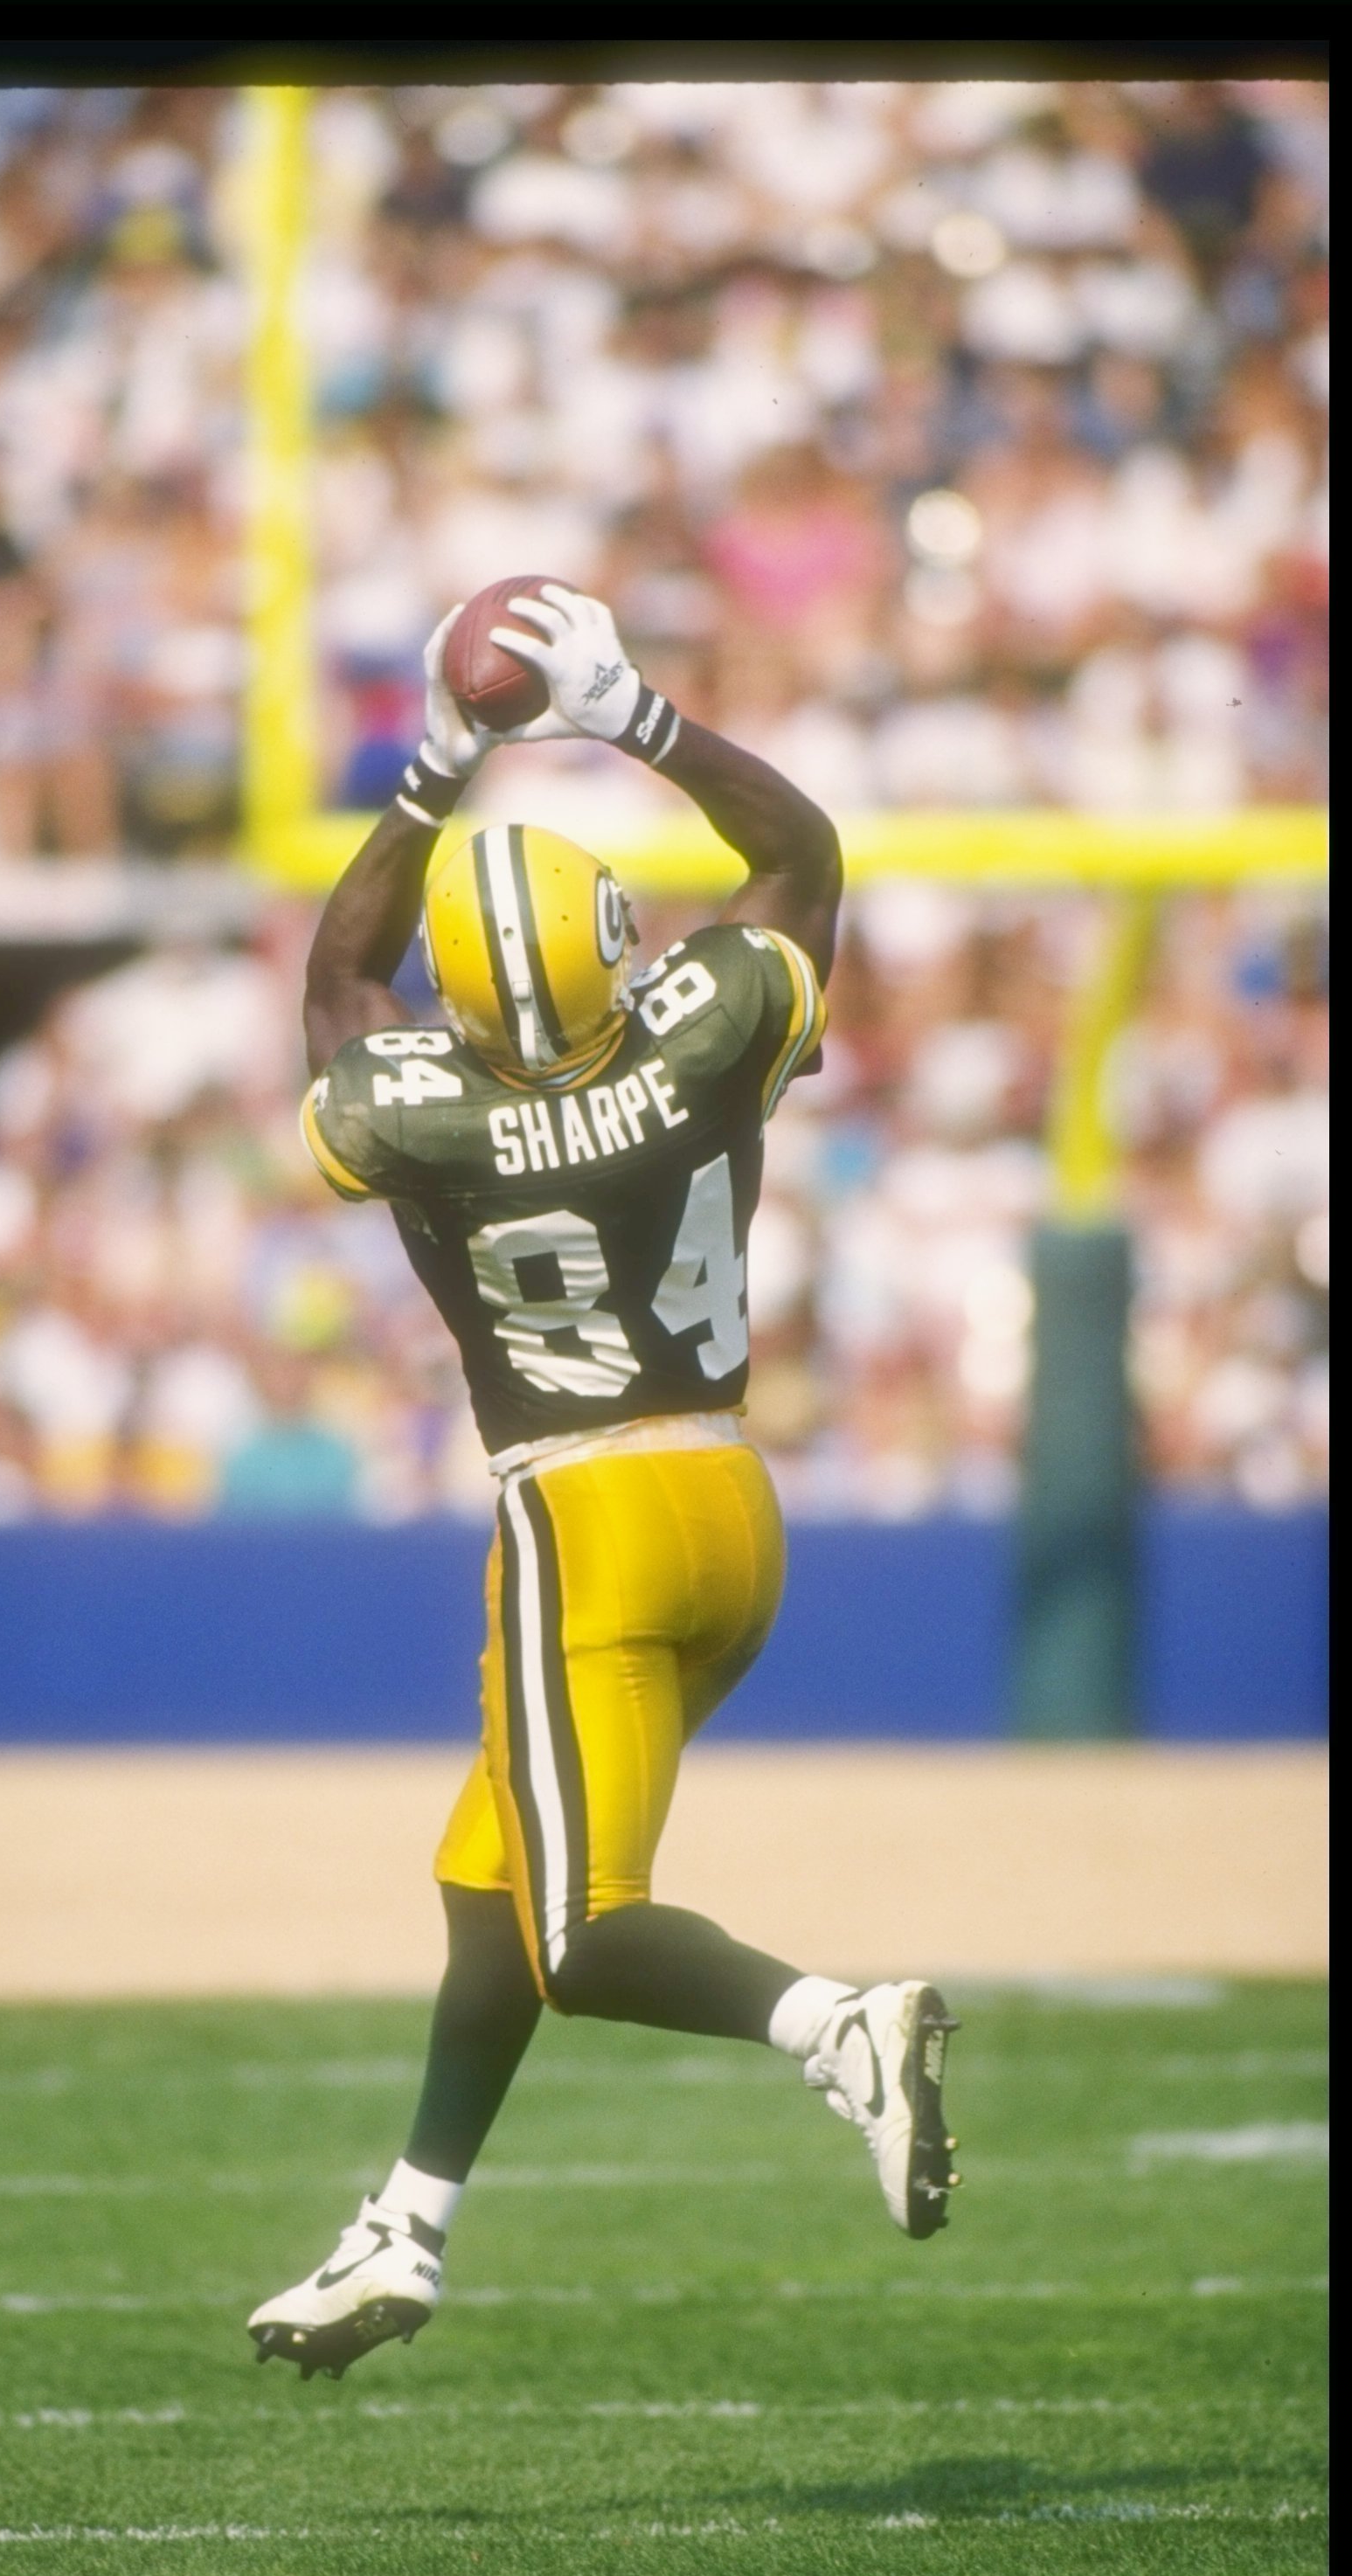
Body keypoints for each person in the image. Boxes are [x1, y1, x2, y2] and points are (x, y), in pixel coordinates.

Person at [249, 585, 960, 2380]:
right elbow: (800, 854)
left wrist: (434, 761)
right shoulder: (703, 1027)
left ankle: (832, 2026)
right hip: (728, 1504)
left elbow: (336, 978)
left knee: (575, 1929)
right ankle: (402, 2223)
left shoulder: (421, 1104)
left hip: (580, 1517)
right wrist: (630, 715)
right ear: (619, 945)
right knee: (489, 1877)